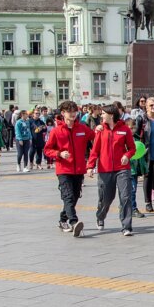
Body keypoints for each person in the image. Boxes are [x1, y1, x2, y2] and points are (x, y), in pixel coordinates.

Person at [45, 100, 95, 237]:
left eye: (74, 111)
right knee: (68, 196)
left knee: (74, 197)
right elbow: (47, 150)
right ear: (63, 113)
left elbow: (95, 137)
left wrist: (100, 129)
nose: (73, 114)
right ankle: (74, 222)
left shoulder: (82, 128)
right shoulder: (56, 131)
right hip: (64, 170)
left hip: (78, 169)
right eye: (69, 111)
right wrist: (59, 154)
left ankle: (62, 219)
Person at [87, 103, 136, 236]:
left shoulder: (125, 129)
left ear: (111, 115)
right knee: (106, 198)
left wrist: (127, 155)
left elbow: (132, 148)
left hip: (122, 169)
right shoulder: (101, 130)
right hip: (105, 169)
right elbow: (95, 150)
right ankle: (100, 216)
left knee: (125, 196)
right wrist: (90, 166)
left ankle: (126, 226)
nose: (101, 115)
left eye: (103, 113)